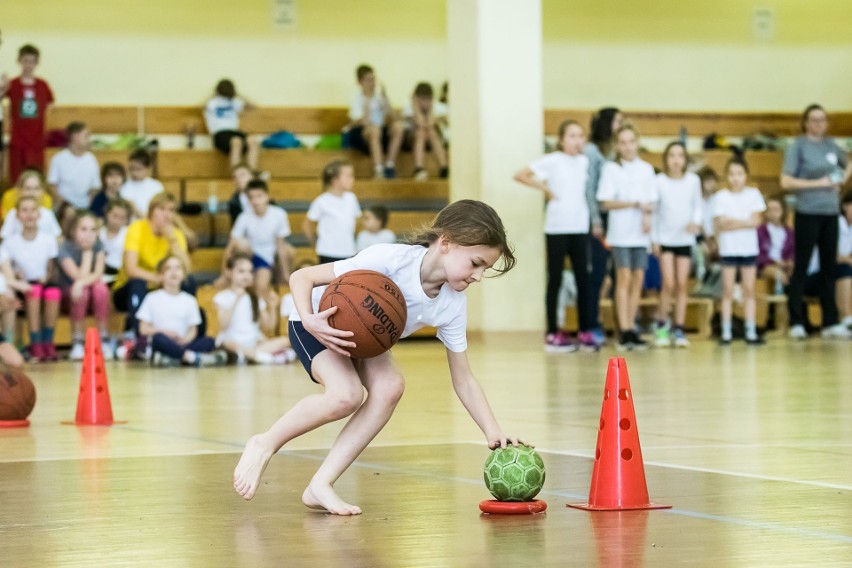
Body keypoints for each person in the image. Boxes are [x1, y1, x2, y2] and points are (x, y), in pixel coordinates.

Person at [233, 199, 524, 515]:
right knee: (345, 396)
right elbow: (301, 277)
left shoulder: (452, 304)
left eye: (485, 268)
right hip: (317, 320)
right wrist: (310, 319)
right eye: (476, 263)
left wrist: (492, 430)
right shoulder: (389, 259)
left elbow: (464, 378)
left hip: (363, 339)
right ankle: (264, 443)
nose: (478, 276)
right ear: (446, 243)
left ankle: (321, 484)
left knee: (389, 387)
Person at [514, 119, 600, 352]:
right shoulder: (551, 161)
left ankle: (584, 331)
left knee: (584, 280)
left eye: (580, 136)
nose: (577, 140)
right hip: (556, 228)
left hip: (579, 227)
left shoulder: (584, 161)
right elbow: (520, 174)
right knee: (556, 279)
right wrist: (545, 189)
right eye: (571, 136)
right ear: (562, 139)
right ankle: (552, 333)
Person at [781, 104, 852, 340]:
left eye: (822, 120)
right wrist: (819, 184)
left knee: (828, 267)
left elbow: (846, 165)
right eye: (813, 119)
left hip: (830, 213)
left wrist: (842, 178)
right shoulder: (798, 146)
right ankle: (796, 321)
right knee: (801, 265)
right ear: (805, 122)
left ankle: (830, 320)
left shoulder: (832, 145)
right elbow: (786, 181)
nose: (818, 124)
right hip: (807, 212)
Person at [596, 125, 657, 351]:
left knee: (637, 280)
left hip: (640, 235)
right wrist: (633, 203)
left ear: (637, 142)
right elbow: (606, 201)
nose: (627, 146)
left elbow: (651, 201)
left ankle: (632, 327)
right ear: (617, 145)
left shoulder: (647, 170)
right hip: (621, 234)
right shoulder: (611, 169)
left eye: (631, 141)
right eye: (622, 142)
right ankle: (623, 330)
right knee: (623, 279)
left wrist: (647, 215)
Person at [111, 192, 193, 341]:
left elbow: (185, 270)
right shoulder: (137, 228)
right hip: (128, 288)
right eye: (162, 209)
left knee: (189, 283)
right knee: (138, 283)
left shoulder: (175, 235)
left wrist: (172, 241)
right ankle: (139, 337)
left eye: (171, 210)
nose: (167, 215)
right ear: (152, 211)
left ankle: (185, 333)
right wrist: (158, 278)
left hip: (159, 287)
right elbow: (131, 269)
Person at [651, 142, 703, 348]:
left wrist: (695, 222)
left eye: (680, 155)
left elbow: (697, 206)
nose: (676, 160)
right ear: (666, 159)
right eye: (671, 155)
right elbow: (654, 211)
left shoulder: (693, 181)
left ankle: (679, 328)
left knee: (682, 284)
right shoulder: (659, 181)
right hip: (665, 239)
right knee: (669, 283)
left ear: (685, 159)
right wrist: (654, 239)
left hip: (684, 239)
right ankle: (662, 325)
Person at [136, 255, 226, 367]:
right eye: (169, 268)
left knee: (209, 341)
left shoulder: (190, 300)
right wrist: (165, 332)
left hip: (183, 343)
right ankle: (190, 357)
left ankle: (173, 358)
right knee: (158, 339)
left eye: (177, 268)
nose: (174, 272)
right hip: (164, 341)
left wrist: (184, 340)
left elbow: (193, 330)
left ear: (183, 274)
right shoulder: (151, 297)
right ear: (161, 275)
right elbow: (143, 329)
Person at [0, 196, 60, 361]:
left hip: (43, 281)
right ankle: (35, 342)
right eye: (24, 210)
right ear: (17, 216)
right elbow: (8, 272)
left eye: (33, 210)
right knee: (34, 291)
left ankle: (48, 341)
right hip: (23, 285)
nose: (29, 214)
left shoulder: (48, 239)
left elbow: (51, 267)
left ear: (39, 214)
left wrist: (46, 276)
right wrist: (19, 277)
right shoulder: (9, 243)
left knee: (53, 292)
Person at [713, 157, 766, 345]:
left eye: (739, 174)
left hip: (748, 249)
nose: (735, 178)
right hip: (729, 249)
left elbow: (756, 221)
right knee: (727, 290)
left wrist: (734, 222)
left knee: (748, 290)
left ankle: (750, 331)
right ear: (727, 176)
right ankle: (726, 331)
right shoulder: (721, 196)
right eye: (732, 174)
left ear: (746, 176)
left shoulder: (753, 194)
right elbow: (721, 224)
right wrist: (745, 222)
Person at [214, 252, 296, 365]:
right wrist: (237, 297)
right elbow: (224, 324)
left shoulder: (255, 298)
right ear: (229, 272)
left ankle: (248, 356)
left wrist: (272, 307)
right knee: (228, 344)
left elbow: (269, 326)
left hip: (253, 344)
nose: (246, 275)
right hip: (232, 343)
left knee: (285, 341)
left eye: (250, 271)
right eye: (241, 271)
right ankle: (265, 358)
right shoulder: (222, 297)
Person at [584, 107, 622, 342]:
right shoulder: (592, 151)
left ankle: (623, 325)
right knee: (596, 274)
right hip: (598, 219)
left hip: (617, 219)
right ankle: (592, 323)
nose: (621, 124)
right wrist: (596, 220)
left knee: (620, 275)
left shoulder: (615, 150)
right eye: (618, 121)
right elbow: (589, 190)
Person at [223, 179, 293, 298]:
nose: (256, 201)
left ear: (267, 196)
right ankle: (244, 271)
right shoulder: (244, 216)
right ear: (248, 200)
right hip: (252, 256)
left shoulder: (279, 214)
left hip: (269, 256)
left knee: (289, 251)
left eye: (259, 196)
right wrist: (224, 274)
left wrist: (286, 274)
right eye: (252, 198)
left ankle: (281, 281)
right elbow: (231, 246)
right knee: (240, 243)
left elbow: (280, 244)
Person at [56, 211, 110, 360]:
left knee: (101, 289)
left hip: (88, 291)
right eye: (84, 229)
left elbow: (98, 273)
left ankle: (103, 339)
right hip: (69, 295)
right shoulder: (65, 247)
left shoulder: (99, 245)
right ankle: (77, 341)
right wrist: (87, 253)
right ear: (74, 231)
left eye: (93, 230)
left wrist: (80, 283)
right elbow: (77, 276)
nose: (89, 234)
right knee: (83, 292)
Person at [1, 44, 54, 184]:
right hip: (18, 141)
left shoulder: (43, 85)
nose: (28, 65)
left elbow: (50, 104)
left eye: (32, 61)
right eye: (25, 61)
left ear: (37, 63)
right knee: (17, 179)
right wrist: (3, 87)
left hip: (36, 141)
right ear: (19, 61)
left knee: (36, 178)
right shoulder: (13, 84)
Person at [346, 64, 404, 179]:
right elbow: (362, 122)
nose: (371, 83)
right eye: (368, 80)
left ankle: (389, 165)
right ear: (360, 82)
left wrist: (386, 98)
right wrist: (367, 102)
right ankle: (378, 169)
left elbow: (394, 117)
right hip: (362, 133)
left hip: (380, 131)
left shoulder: (379, 97)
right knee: (374, 129)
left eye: (373, 79)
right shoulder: (356, 99)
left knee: (398, 127)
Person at [304, 161, 361, 264]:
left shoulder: (351, 198)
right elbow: (307, 224)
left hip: (349, 251)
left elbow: (356, 221)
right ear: (334, 180)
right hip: (327, 252)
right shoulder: (321, 201)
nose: (352, 179)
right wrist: (315, 244)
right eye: (348, 176)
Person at [204, 79, 260, 170]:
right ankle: (236, 175)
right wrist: (214, 94)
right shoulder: (213, 102)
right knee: (236, 142)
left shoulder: (234, 101)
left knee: (254, 141)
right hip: (219, 134)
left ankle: (251, 174)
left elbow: (252, 106)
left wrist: (237, 94)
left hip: (233, 132)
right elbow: (203, 107)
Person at [47, 122, 101, 209]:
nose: (89, 139)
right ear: (74, 136)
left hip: (86, 205)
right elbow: (52, 186)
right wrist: (64, 203)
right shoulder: (58, 159)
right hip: (64, 205)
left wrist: (91, 205)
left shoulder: (91, 159)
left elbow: (95, 187)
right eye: (86, 136)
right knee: (70, 213)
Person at [404, 82, 448, 180]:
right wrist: (416, 108)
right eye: (422, 99)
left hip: (432, 138)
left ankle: (444, 167)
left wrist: (430, 110)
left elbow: (430, 124)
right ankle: (419, 168)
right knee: (421, 132)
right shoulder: (409, 107)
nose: (425, 102)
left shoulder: (438, 107)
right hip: (413, 140)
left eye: (428, 99)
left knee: (431, 132)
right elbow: (421, 123)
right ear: (416, 98)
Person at [0, 169, 62, 239]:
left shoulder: (47, 214)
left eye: (36, 188)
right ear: (20, 191)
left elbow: (58, 237)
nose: (32, 193)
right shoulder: (12, 214)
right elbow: (4, 238)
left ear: (42, 191)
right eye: (28, 188)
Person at [756, 195, 795, 294]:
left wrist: (789, 261)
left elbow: (793, 251)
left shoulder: (789, 232)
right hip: (766, 266)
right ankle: (778, 305)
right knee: (779, 276)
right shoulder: (760, 231)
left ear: (783, 211)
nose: (773, 213)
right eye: (770, 210)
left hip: (785, 265)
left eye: (776, 210)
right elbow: (759, 255)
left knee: (796, 275)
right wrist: (775, 262)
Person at [120, 149, 165, 219]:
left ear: (148, 169)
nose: (134, 173)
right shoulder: (123, 186)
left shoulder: (156, 186)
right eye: (131, 169)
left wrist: (136, 210)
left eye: (138, 169)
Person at [836, 192, 852, 329]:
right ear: (845, 206)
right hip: (819, 274)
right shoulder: (835, 223)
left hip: (840, 269)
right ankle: (846, 318)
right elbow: (831, 256)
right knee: (845, 269)